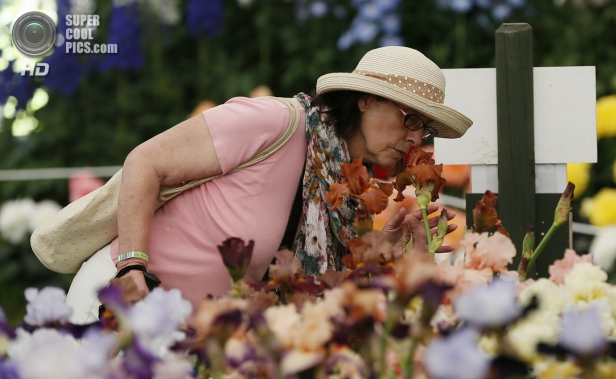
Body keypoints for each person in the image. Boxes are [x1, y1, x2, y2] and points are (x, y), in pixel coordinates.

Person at [65, 46, 473, 324]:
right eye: (411, 119)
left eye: (426, 128)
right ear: (366, 99)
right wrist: (132, 266)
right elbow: (145, 162)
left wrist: (381, 252)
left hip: (189, 333)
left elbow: (301, 281)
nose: (417, 138)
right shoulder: (277, 121)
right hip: (121, 301)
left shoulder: (340, 180)